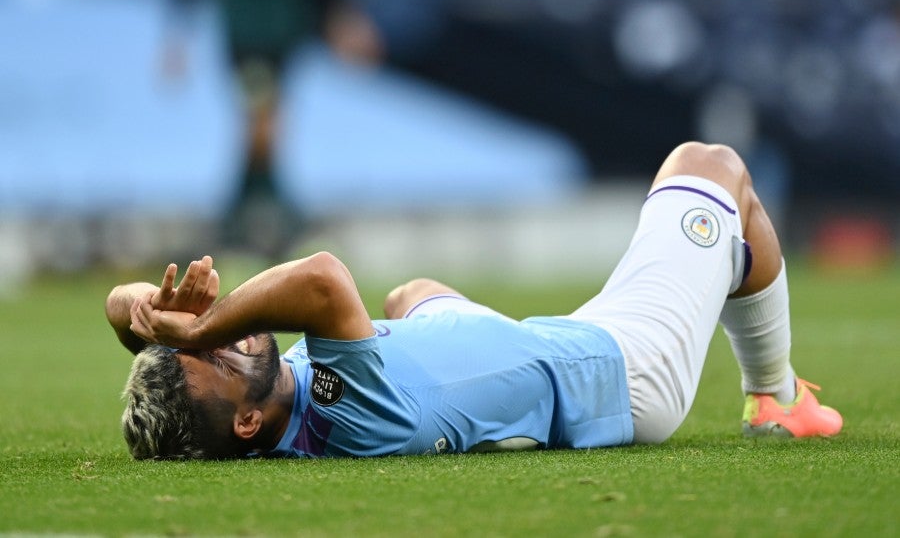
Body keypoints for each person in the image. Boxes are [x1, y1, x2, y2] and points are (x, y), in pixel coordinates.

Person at [107, 142, 842, 460]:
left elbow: (117, 302)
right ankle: (773, 396)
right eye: (217, 356)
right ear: (243, 420)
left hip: (525, 344)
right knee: (711, 166)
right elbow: (323, 278)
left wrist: (148, 315)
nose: (222, 339)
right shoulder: (341, 409)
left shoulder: (284, 397)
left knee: (412, 292)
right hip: (612, 371)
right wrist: (204, 320)